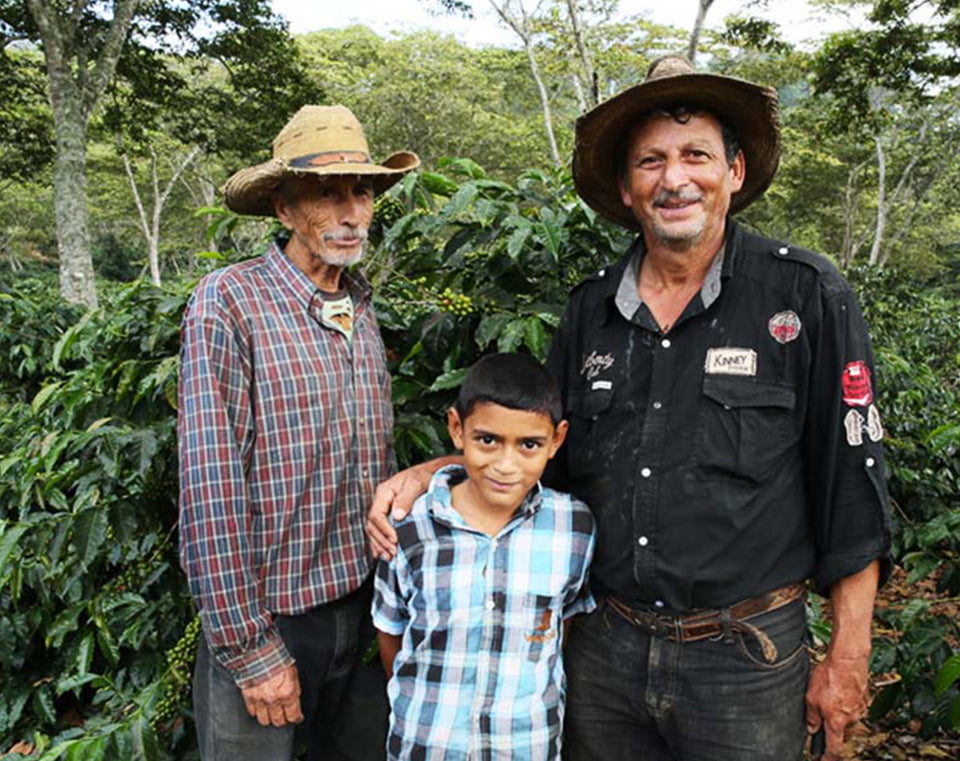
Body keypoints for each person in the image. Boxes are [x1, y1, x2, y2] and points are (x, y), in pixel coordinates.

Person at [367, 56, 892, 761]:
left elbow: (850, 486)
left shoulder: (802, 294)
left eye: (695, 155)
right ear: (625, 186)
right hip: (603, 650)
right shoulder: (591, 308)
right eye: (650, 161)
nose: (674, 178)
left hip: (744, 657)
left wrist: (847, 657)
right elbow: (537, 444)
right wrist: (437, 465)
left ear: (733, 173)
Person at [178, 104, 419, 760]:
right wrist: (249, 649)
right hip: (272, 619)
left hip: (365, 612)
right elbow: (209, 485)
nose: (349, 211)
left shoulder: (361, 308)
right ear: (283, 208)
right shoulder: (229, 302)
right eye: (324, 193)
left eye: (361, 191)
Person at [371, 353, 596, 760]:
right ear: (457, 429)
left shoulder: (573, 528)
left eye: (529, 445)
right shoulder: (409, 528)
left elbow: (565, 626)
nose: (505, 465)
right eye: (488, 440)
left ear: (557, 440)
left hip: (525, 745)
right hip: (428, 743)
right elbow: (391, 634)